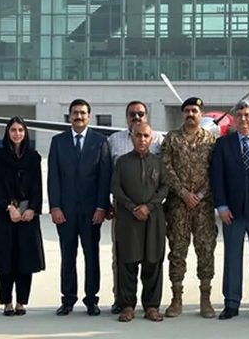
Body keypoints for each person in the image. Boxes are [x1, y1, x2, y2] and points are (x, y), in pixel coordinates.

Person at [209, 100, 249, 321]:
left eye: (247, 115)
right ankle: (231, 303)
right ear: (234, 119)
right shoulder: (223, 145)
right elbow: (217, 177)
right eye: (239, 115)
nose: (243, 119)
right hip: (232, 213)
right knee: (232, 260)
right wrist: (221, 206)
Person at [48, 98, 112, 316]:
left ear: (89, 116)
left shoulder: (100, 141)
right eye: (75, 113)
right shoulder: (58, 142)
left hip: (91, 211)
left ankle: (91, 299)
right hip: (65, 211)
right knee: (68, 255)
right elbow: (53, 177)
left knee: (91, 255)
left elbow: (104, 177)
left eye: (83, 113)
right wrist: (55, 207)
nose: (79, 116)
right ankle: (68, 299)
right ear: (70, 116)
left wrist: (101, 207)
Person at [161, 97, 218, 318]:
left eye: (194, 110)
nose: (190, 114)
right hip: (178, 206)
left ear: (201, 114)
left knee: (206, 251)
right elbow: (166, 168)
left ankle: (205, 299)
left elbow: (216, 171)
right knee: (177, 252)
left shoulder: (211, 140)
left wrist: (201, 194)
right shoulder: (172, 139)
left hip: (203, 207)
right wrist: (183, 193)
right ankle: (176, 299)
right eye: (186, 111)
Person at [107, 100, 164, 315]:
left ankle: (151, 306)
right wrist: (132, 207)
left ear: (151, 138)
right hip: (127, 217)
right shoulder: (122, 160)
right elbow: (115, 186)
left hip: (153, 217)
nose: (142, 139)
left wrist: (149, 207)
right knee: (126, 261)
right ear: (132, 137)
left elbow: (165, 186)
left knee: (153, 260)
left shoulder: (159, 161)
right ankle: (126, 305)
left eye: (145, 136)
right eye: (138, 136)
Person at [0, 117, 45, 316]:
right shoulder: (0, 155)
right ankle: (7, 302)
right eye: (13, 130)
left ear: (25, 133)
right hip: (5, 214)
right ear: (7, 133)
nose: (17, 134)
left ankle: (21, 302)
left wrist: (33, 209)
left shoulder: (33, 157)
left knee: (25, 259)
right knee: (5, 258)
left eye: (20, 130)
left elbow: (37, 186)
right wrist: (9, 207)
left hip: (27, 215)